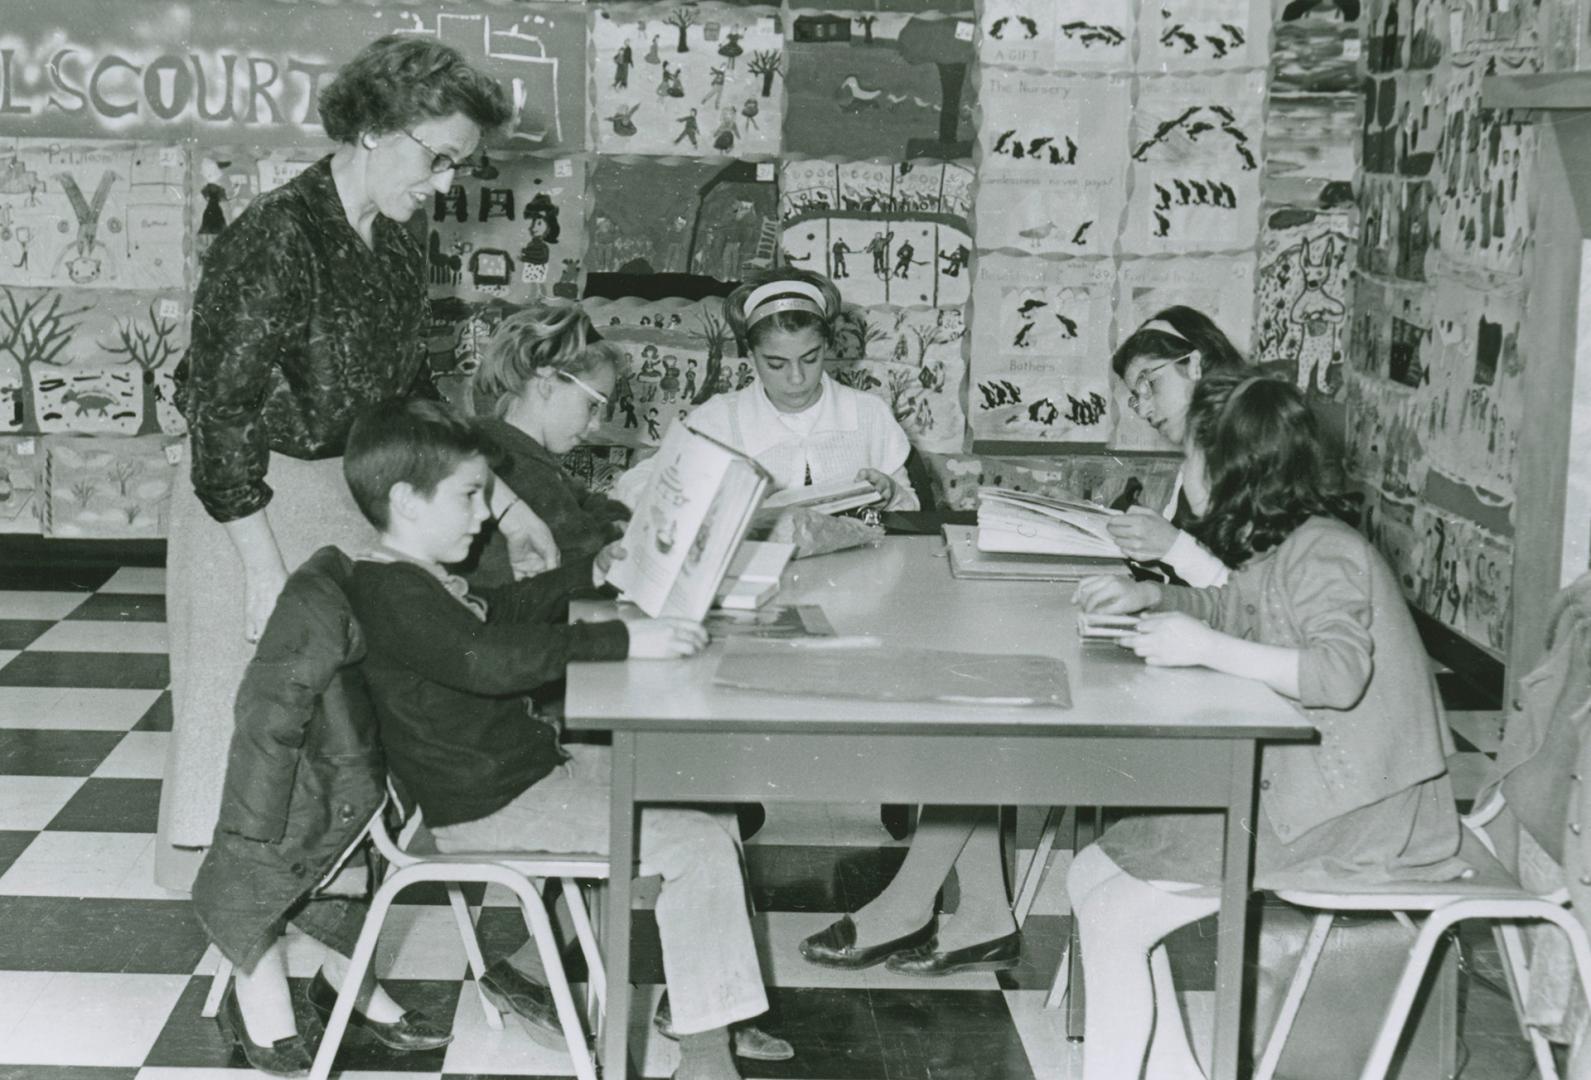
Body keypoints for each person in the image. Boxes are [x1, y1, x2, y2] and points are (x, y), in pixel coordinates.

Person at [158, 35, 537, 894]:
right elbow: (218, 415)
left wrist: (506, 501)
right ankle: (258, 979)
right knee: (252, 747)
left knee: (342, 745)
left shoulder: (398, 239)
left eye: (457, 167)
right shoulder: (273, 239)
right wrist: (262, 573)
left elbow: (411, 385)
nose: (445, 185)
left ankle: (337, 967)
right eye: (438, 159)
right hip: (243, 510)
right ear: (373, 129)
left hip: (341, 494)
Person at [341, 398, 785, 1080]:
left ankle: (702, 1005)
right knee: (696, 844)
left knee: (702, 798)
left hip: (514, 773)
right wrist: (623, 637)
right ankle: (705, 1060)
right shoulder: (393, 594)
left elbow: (496, 617)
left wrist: (590, 573)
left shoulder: (412, 578)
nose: (487, 515)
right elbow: (485, 660)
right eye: (469, 496)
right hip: (489, 804)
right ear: (405, 499)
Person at [1068, 373, 1467, 1080]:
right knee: (1090, 872)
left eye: (1187, 457)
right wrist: (1151, 592)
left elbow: (1337, 674)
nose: (1179, 472)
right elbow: (1233, 608)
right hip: (1314, 795)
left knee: (1112, 914)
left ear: (1228, 467)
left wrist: (1207, 650)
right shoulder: (1280, 539)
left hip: (1364, 816)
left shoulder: (1325, 550)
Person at [191, 547, 452, 1076]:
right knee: (264, 804)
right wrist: (261, 561)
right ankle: (258, 988)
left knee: (352, 794)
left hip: (356, 530)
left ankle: (347, 977)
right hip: (255, 546)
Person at [612, 268, 919, 511]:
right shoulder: (720, 419)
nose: (796, 378)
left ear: (827, 345)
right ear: (751, 353)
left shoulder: (868, 413)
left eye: (810, 358)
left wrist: (890, 494)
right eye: (776, 363)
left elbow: (912, 507)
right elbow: (631, 489)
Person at [467, 301, 630, 586]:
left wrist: (614, 517)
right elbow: (584, 547)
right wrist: (620, 530)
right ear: (547, 381)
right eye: (593, 405)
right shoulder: (515, 464)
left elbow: (584, 500)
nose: (597, 423)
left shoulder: (518, 450)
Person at [1104, 306, 1248, 587]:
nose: (1144, 409)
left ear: (1195, 364)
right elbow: (1172, 572)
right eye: (1136, 395)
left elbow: (1254, 602)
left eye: (1149, 384)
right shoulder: (1196, 456)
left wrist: (1173, 546)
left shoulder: (1254, 451)